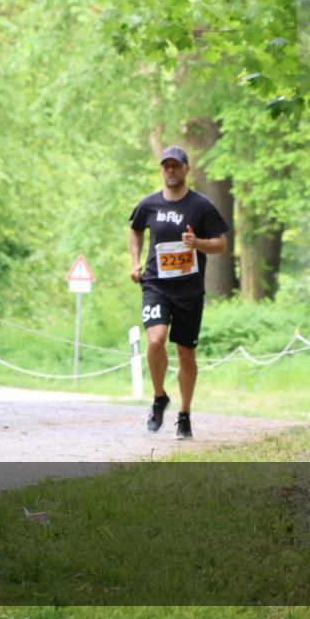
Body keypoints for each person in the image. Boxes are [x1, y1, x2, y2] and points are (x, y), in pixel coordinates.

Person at [129, 146, 228, 440]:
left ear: (187, 169)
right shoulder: (149, 204)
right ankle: (159, 397)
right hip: (156, 285)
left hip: (189, 290)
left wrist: (196, 243)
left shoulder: (201, 206)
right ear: (161, 170)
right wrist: (134, 263)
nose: (170, 170)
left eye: (176, 166)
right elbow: (135, 229)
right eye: (166, 166)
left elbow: (221, 245)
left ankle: (184, 414)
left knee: (186, 352)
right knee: (156, 340)